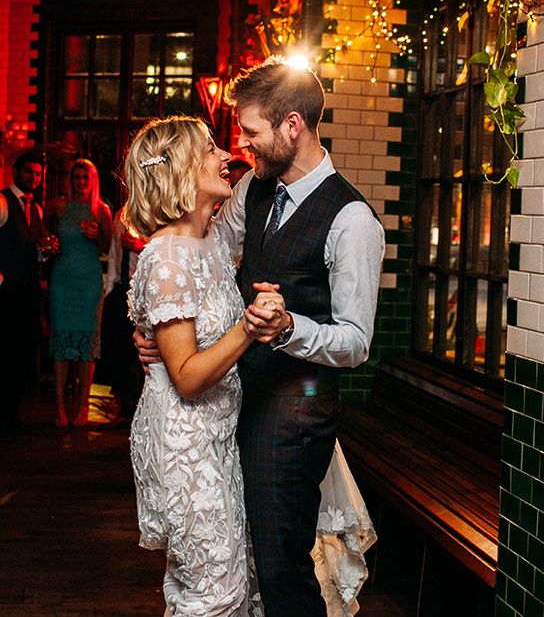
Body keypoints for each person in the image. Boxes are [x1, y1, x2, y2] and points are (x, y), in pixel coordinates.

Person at [136, 57, 385, 616]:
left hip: (293, 420)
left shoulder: (353, 221)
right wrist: (158, 330)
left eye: (250, 132)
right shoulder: (253, 187)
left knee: (280, 569)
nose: (242, 146)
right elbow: (201, 263)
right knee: (243, 563)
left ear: (291, 126)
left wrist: (290, 327)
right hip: (230, 406)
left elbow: (355, 342)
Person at [124, 115, 282, 615]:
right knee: (215, 592)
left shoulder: (213, 237)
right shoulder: (168, 258)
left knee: (222, 580)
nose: (225, 156)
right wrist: (249, 328)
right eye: (211, 149)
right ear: (180, 170)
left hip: (217, 436)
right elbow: (188, 378)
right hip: (183, 444)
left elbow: (261, 171)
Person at [47, 158, 112, 427]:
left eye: (86, 178)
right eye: (77, 178)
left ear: (93, 181)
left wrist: (95, 235)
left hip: (88, 281)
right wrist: (48, 245)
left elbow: (109, 246)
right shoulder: (58, 206)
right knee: (61, 342)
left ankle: (83, 406)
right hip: (62, 280)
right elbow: (44, 235)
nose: (81, 183)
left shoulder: (101, 210)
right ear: (70, 180)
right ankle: (61, 408)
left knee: (86, 344)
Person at [0, 152, 50, 438]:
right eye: (29, 172)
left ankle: (13, 412)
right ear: (17, 172)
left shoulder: (37, 209)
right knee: (5, 351)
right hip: (7, 291)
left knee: (23, 351)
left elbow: (33, 251)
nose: (34, 178)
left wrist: (43, 253)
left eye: (38, 174)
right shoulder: (4, 202)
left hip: (29, 290)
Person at [99, 206, 147, 426]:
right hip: (121, 288)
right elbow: (114, 253)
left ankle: (139, 409)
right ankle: (126, 406)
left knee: (141, 352)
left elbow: (170, 248)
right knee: (119, 348)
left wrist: (141, 246)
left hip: (143, 289)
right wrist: (110, 287)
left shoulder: (153, 209)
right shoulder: (121, 214)